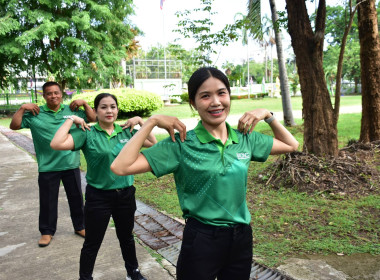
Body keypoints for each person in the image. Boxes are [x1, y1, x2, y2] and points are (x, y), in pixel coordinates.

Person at [110, 67, 299, 280]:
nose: (216, 102)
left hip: (241, 238)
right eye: (205, 96)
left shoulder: (245, 138)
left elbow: (291, 145)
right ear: (193, 103)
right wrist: (152, 122)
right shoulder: (181, 144)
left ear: (229, 95)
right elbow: (120, 167)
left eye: (221, 93)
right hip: (202, 240)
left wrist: (268, 115)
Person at [51, 93, 155, 280]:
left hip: (125, 195)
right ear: (96, 111)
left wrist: (140, 121)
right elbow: (56, 143)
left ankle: (133, 272)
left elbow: (153, 145)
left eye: (113, 107)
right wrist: (71, 119)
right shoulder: (87, 132)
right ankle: (85, 277)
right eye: (104, 107)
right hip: (98, 196)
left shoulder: (127, 130)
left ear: (117, 110)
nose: (109, 111)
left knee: (127, 238)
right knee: (92, 241)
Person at [9, 81, 96, 247]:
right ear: (44, 96)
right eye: (49, 93)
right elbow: (14, 126)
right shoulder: (35, 113)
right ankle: (47, 232)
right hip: (48, 166)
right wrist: (21, 108)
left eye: (56, 92)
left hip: (70, 163)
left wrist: (84, 103)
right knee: (48, 201)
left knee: (77, 198)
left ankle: (80, 226)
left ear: (61, 94)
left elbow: (92, 119)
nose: (53, 96)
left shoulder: (71, 110)